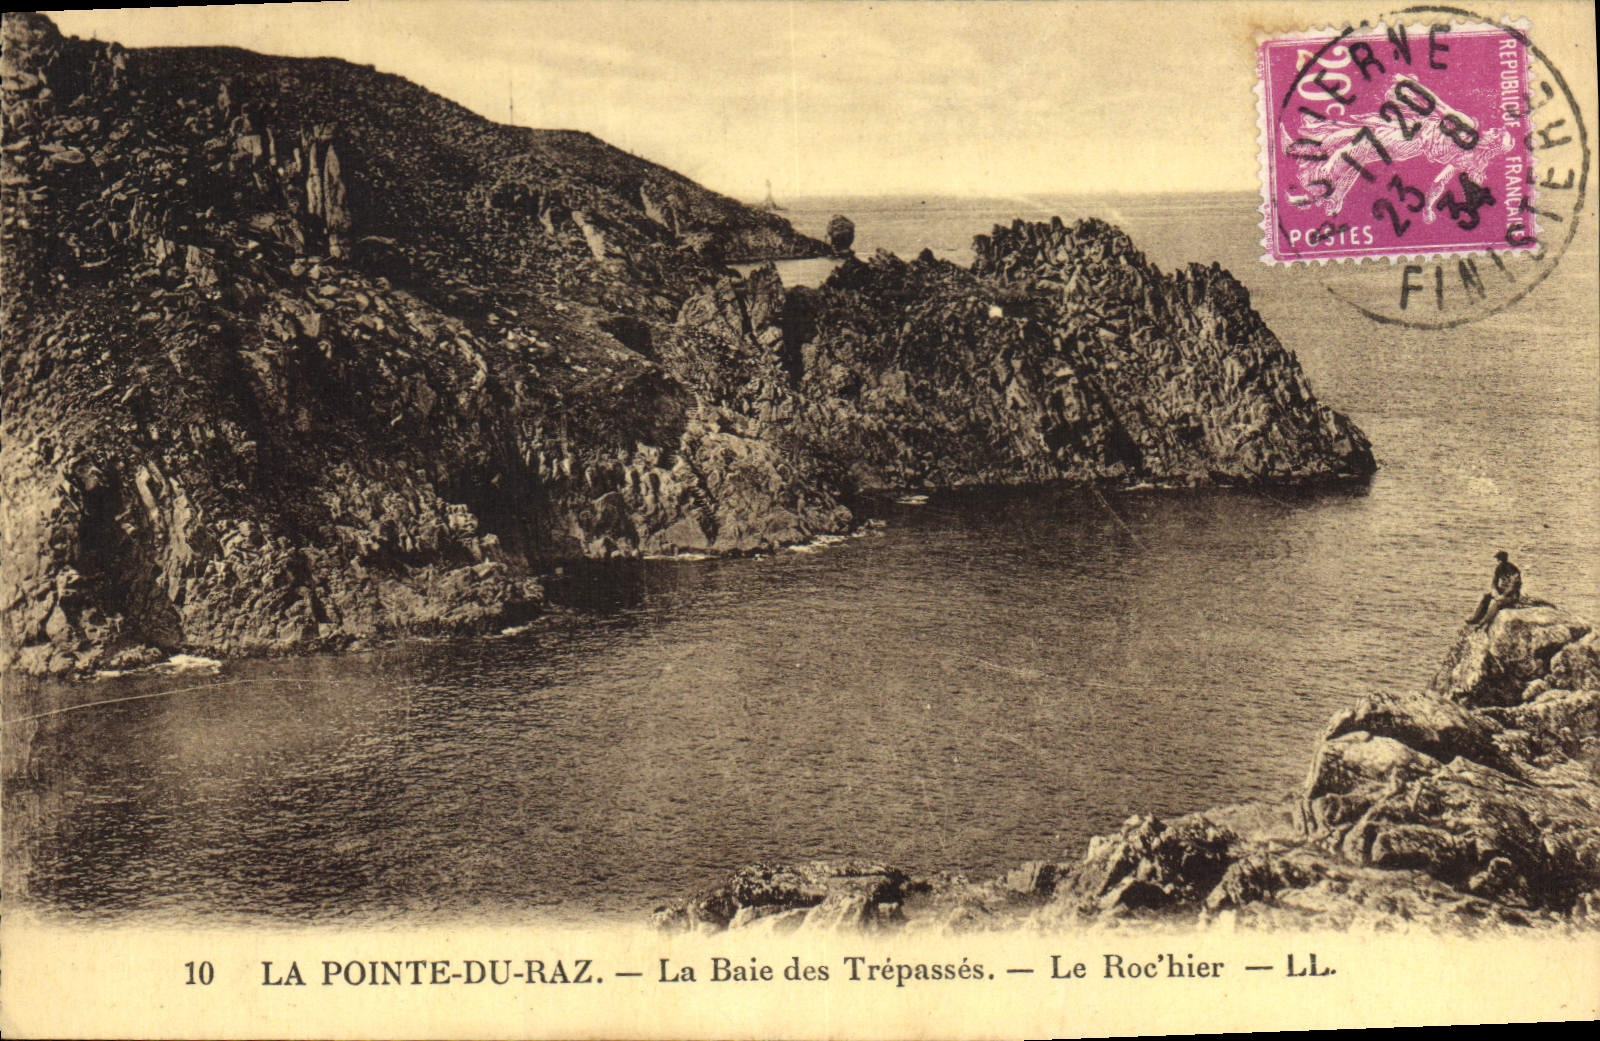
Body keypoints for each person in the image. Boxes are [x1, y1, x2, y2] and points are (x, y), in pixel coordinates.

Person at [1467, 551, 1521, 629]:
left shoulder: (1513, 570)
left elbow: (1514, 586)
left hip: (1512, 595)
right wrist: (1494, 591)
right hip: (1502, 591)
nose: (1498, 561)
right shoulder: (1499, 568)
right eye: (1498, 559)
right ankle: (1476, 618)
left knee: (1498, 604)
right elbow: (1494, 582)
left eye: (1499, 559)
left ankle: (1484, 622)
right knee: (1486, 596)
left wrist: (1503, 595)